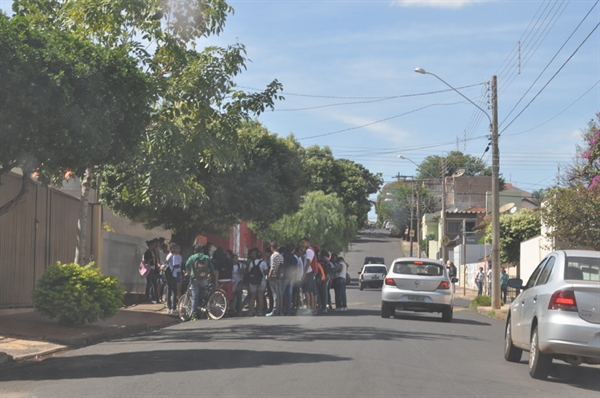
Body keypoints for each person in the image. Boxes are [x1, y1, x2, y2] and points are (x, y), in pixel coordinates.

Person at [184, 245, 214, 321]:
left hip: (194, 279)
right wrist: (210, 274)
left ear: (194, 251)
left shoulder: (192, 257)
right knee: (206, 296)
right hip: (204, 279)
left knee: (195, 297)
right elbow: (211, 267)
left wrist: (187, 272)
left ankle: (194, 315)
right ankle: (207, 313)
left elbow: (187, 264)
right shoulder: (206, 257)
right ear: (202, 251)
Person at [247, 248, 269, 316]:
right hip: (261, 281)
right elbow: (266, 272)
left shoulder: (251, 263)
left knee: (252, 297)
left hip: (253, 281)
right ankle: (260, 311)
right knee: (260, 296)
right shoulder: (263, 263)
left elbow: (249, 271)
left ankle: (250, 312)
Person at [300, 237, 317, 315]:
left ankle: (309, 308)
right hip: (310, 273)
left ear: (307, 242)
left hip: (308, 272)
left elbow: (308, 263)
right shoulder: (310, 250)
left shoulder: (309, 251)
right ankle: (312, 308)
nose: (302, 244)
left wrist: (304, 274)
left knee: (307, 291)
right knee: (310, 291)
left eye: (303, 243)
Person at [266, 242, 283, 317]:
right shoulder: (281, 256)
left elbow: (272, 267)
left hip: (274, 276)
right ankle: (280, 309)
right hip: (280, 276)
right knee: (279, 293)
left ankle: (275, 310)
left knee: (274, 293)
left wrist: (269, 276)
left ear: (272, 247)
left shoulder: (273, 256)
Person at [280, 244, 297, 316]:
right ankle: (288, 311)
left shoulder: (282, 256)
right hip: (291, 277)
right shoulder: (294, 257)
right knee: (289, 294)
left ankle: (280, 310)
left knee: (281, 293)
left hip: (284, 276)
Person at [143, 239, 159, 303]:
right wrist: (153, 258)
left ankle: (156, 298)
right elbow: (146, 261)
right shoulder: (147, 252)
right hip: (149, 269)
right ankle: (147, 298)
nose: (154, 246)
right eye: (153, 245)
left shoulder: (154, 251)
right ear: (150, 245)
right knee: (149, 284)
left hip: (153, 269)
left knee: (155, 284)